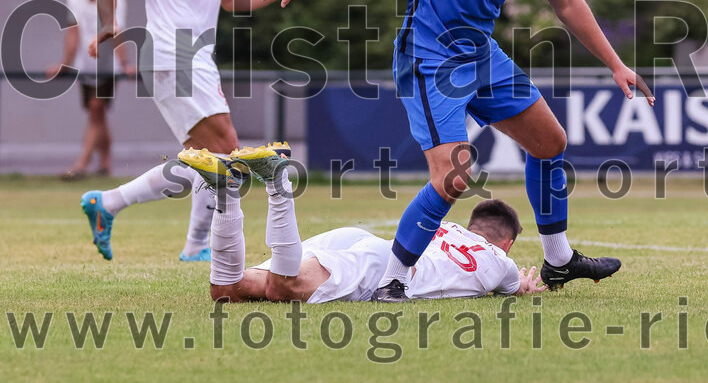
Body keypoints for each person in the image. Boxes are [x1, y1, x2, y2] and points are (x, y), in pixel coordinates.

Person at [260, 0, 654, 301]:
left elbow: (566, 2)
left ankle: (559, 260)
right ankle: (395, 280)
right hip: (430, 55)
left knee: (551, 141)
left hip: (481, 54)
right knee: (453, 176)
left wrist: (615, 63)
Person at [79, 0, 308, 262]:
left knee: (209, 160)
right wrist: (107, 23)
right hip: (171, 52)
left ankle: (118, 208)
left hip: (198, 55)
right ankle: (185, 239)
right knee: (225, 150)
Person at [177, 144, 544, 302]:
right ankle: (277, 180)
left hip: (367, 244)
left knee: (227, 292)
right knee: (282, 287)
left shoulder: (451, 230)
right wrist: (525, 286)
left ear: (472, 222)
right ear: (507, 243)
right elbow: (516, 288)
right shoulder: (501, 263)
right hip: (382, 268)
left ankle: (224, 191)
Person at [47, 0, 135, 179]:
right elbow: (73, 33)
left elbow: (116, 33)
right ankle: (105, 164)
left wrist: (124, 64)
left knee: (96, 109)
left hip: (107, 66)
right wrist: (65, 63)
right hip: (84, 65)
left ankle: (81, 165)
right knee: (98, 114)